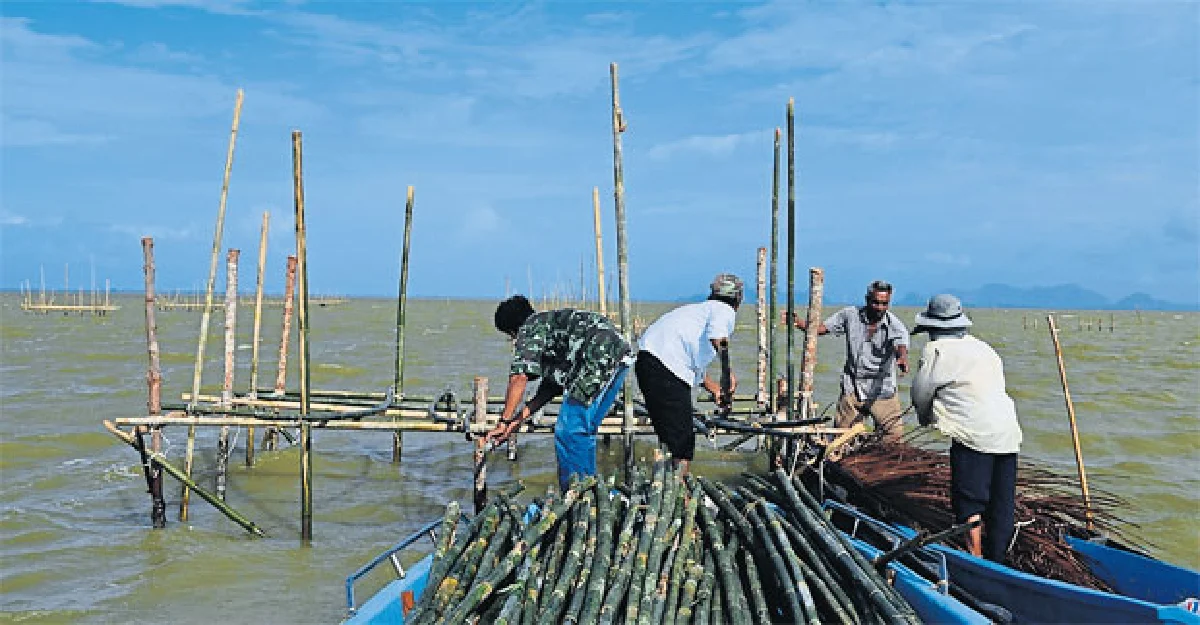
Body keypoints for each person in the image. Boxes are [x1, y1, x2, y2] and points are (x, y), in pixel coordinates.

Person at [909, 294, 1023, 563]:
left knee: (970, 499)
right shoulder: (985, 349)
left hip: (974, 435)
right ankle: (999, 558)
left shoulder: (936, 351)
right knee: (1001, 503)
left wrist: (925, 418)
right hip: (1007, 432)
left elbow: (921, 392)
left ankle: (977, 558)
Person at [484, 295, 633, 492]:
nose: (514, 341)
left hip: (596, 356)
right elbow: (549, 389)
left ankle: (575, 494)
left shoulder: (529, 328)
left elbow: (518, 377)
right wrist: (516, 421)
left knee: (568, 431)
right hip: (618, 355)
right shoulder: (550, 328)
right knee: (583, 431)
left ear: (513, 330)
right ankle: (589, 490)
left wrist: (503, 421)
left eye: (511, 336)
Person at [635, 273, 742, 474]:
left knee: (671, 436)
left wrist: (714, 388)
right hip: (663, 367)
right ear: (738, 298)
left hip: (650, 363)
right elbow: (718, 337)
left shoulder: (699, 311)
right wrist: (727, 374)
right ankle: (679, 492)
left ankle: (666, 484)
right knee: (682, 442)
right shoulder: (724, 310)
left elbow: (691, 362)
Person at [785, 279, 910, 440]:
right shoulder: (850, 315)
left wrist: (902, 359)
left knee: (894, 436)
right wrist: (799, 323)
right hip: (853, 387)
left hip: (881, 389)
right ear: (867, 300)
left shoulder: (895, 325)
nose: (880, 308)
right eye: (876, 303)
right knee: (842, 438)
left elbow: (901, 345)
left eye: (884, 304)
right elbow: (822, 328)